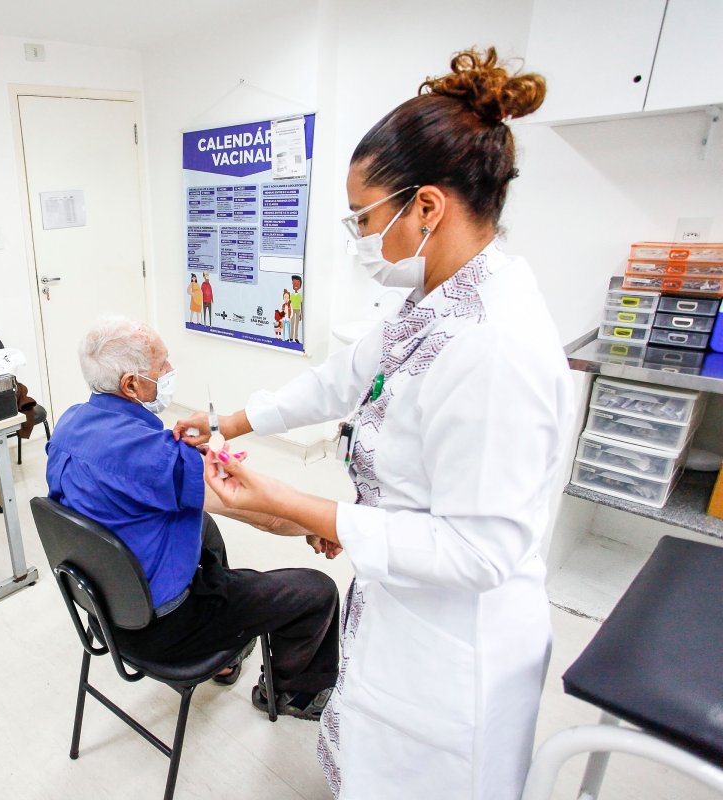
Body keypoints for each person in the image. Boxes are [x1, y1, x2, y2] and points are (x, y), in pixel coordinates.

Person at [174, 48, 572, 799]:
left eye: (363, 216)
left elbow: (479, 549)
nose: (357, 236)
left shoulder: (495, 347)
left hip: (460, 646)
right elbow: (343, 379)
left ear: (427, 207)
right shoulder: (433, 298)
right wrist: (224, 420)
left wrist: (296, 506)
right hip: (402, 605)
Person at [46, 317, 341, 720]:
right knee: (316, 591)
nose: (170, 372)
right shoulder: (162, 459)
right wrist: (323, 525)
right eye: (162, 365)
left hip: (102, 609)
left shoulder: (68, 424)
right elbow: (267, 516)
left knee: (205, 525)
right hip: (165, 630)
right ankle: (293, 692)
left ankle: (225, 652)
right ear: (132, 384)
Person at [288, 275, 303, 343]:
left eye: (297, 283)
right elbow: (289, 303)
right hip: (292, 310)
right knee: (292, 323)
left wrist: (301, 314)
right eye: (294, 283)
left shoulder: (300, 295)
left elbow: (301, 304)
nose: (296, 285)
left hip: (298, 310)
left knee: (297, 324)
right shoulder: (291, 295)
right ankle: (291, 337)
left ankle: (296, 337)